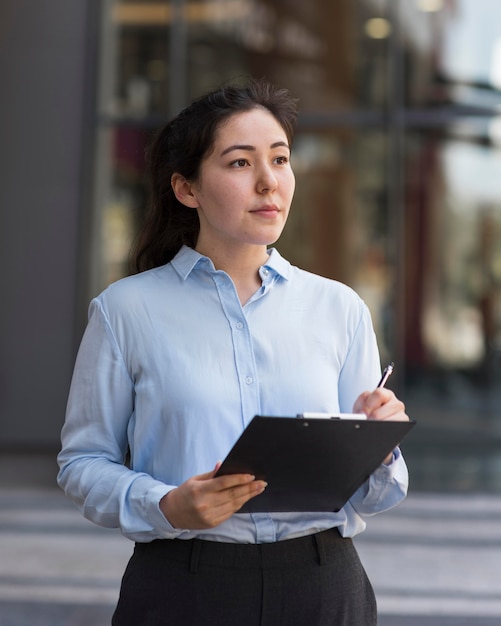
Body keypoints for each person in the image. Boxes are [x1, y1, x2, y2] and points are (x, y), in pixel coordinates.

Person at [57, 77, 410, 626]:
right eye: (241, 163)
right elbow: (82, 463)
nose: (270, 182)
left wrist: (380, 443)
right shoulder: (124, 311)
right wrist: (166, 503)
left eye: (281, 159)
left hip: (324, 584)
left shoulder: (339, 308)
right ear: (187, 189)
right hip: (184, 586)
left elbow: (371, 496)